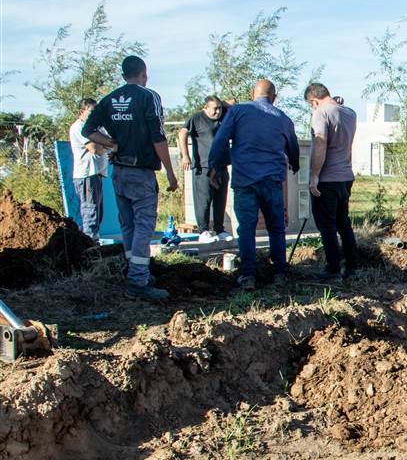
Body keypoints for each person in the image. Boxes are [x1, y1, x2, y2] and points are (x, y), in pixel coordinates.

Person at [83, 55, 179, 301]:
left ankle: (135, 272)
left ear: (124, 74)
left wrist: (112, 143)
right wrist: (169, 171)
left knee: (128, 225)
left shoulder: (109, 100)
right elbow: (158, 137)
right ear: (143, 73)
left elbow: (88, 130)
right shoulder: (149, 97)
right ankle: (138, 281)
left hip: (119, 172)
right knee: (144, 227)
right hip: (140, 171)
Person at [208, 79, 299, 290]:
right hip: (272, 182)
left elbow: (220, 140)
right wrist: (294, 164)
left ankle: (248, 275)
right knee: (276, 228)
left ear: (252, 93)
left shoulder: (238, 112)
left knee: (246, 229)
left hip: (245, 181)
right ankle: (280, 274)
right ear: (274, 97)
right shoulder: (282, 118)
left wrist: (214, 166)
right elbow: (292, 147)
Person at [304, 83, 359, 281]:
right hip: (345, 177)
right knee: (343, 223)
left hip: (327, 179)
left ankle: (333, 269)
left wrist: (314, 176)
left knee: (326, 225)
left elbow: (320, 142)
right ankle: (352, 266)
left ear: (314, 100)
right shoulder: (350, 113)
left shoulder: (321, 113)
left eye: (311, 105)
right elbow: (339, 108)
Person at [177, 95, 231, 243]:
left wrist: (222, 104)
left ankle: (219, 230)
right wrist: (185, 156)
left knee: (221, 199)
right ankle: (203, 230)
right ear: (205, 108)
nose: (218, 112)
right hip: (204, 167)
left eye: (219, 108)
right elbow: (182, 133)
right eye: (214, 109)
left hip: (222, 166)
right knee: (204, 200)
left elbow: (233, 104)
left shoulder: (224, 116)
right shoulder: (197, 118)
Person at [68, 98, 109, 242]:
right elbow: (95, 149)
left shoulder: (97, 128)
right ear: (82, 112)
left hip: (96, 174)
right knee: (90, 212)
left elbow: (111, 142)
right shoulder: (79, 127)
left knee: (98, 213)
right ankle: (90, 246)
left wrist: (105, 145)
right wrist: (105, 145)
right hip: (86, 174)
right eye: (92, 111)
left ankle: (94, 243)